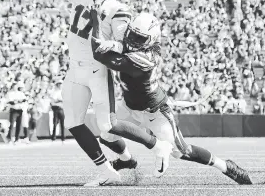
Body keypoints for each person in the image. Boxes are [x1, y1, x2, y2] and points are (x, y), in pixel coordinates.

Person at [42, 0, 171, 186]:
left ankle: (158, 146)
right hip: (74, 68)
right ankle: (109, 169)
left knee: (107, 126)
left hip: (97, 69)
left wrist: (110, 43)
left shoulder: (117, 9)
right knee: (73, 123)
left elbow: (130, 46)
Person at [90, 9, 252, 185]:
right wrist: (117, 43)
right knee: (106, 135)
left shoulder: (145, 58)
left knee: (182, 151)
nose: (133, 41)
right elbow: (123, 43)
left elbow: (100, 54)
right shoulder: (137, 43)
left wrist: (100, 28)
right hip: (129, 106)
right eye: (132, 35)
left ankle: (226, 166)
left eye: (139, 38)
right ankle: (126, 160)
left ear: (150, 40)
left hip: (155, 111)